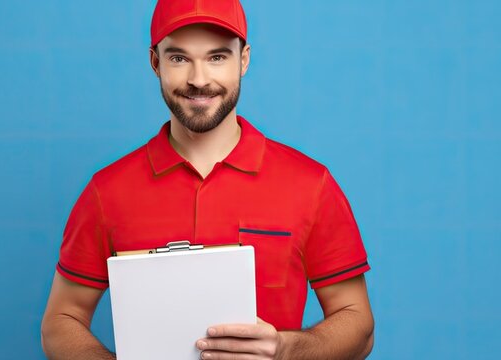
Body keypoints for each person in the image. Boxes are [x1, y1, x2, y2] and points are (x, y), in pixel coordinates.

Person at [40, 0, 374, 359]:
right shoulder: (106, 191)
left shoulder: (311, 184)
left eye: (217, 57)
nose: (199, 80)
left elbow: (358, 325)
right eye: (179, 58)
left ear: (243, 59)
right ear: (155, 62)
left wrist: (286, 350)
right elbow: (60, 320)